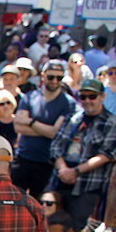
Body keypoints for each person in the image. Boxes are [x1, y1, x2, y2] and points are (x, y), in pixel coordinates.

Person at [49, 78, 116, 232]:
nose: (87, 101)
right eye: (83, 97)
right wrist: (63, 169)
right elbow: (56, 146)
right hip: (60, 180)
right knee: (50, 226)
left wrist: (74, 172)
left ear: (102, 97)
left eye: (92, 97)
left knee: (73, 229)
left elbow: (106, 155)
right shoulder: (73, 118)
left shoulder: (113, 122)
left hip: (86, 185)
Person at [11, 60, 78, 199]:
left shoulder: (68, 102)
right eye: (51, 77)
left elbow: (55, 133)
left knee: (38, 204)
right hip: (23, 157)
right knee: (14, 200)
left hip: (46, 162)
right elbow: (18, 126)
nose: (54, 81)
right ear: (43, 76)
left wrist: (30, 122)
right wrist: (46, 130)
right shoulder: (30, 97)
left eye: (59, 78)